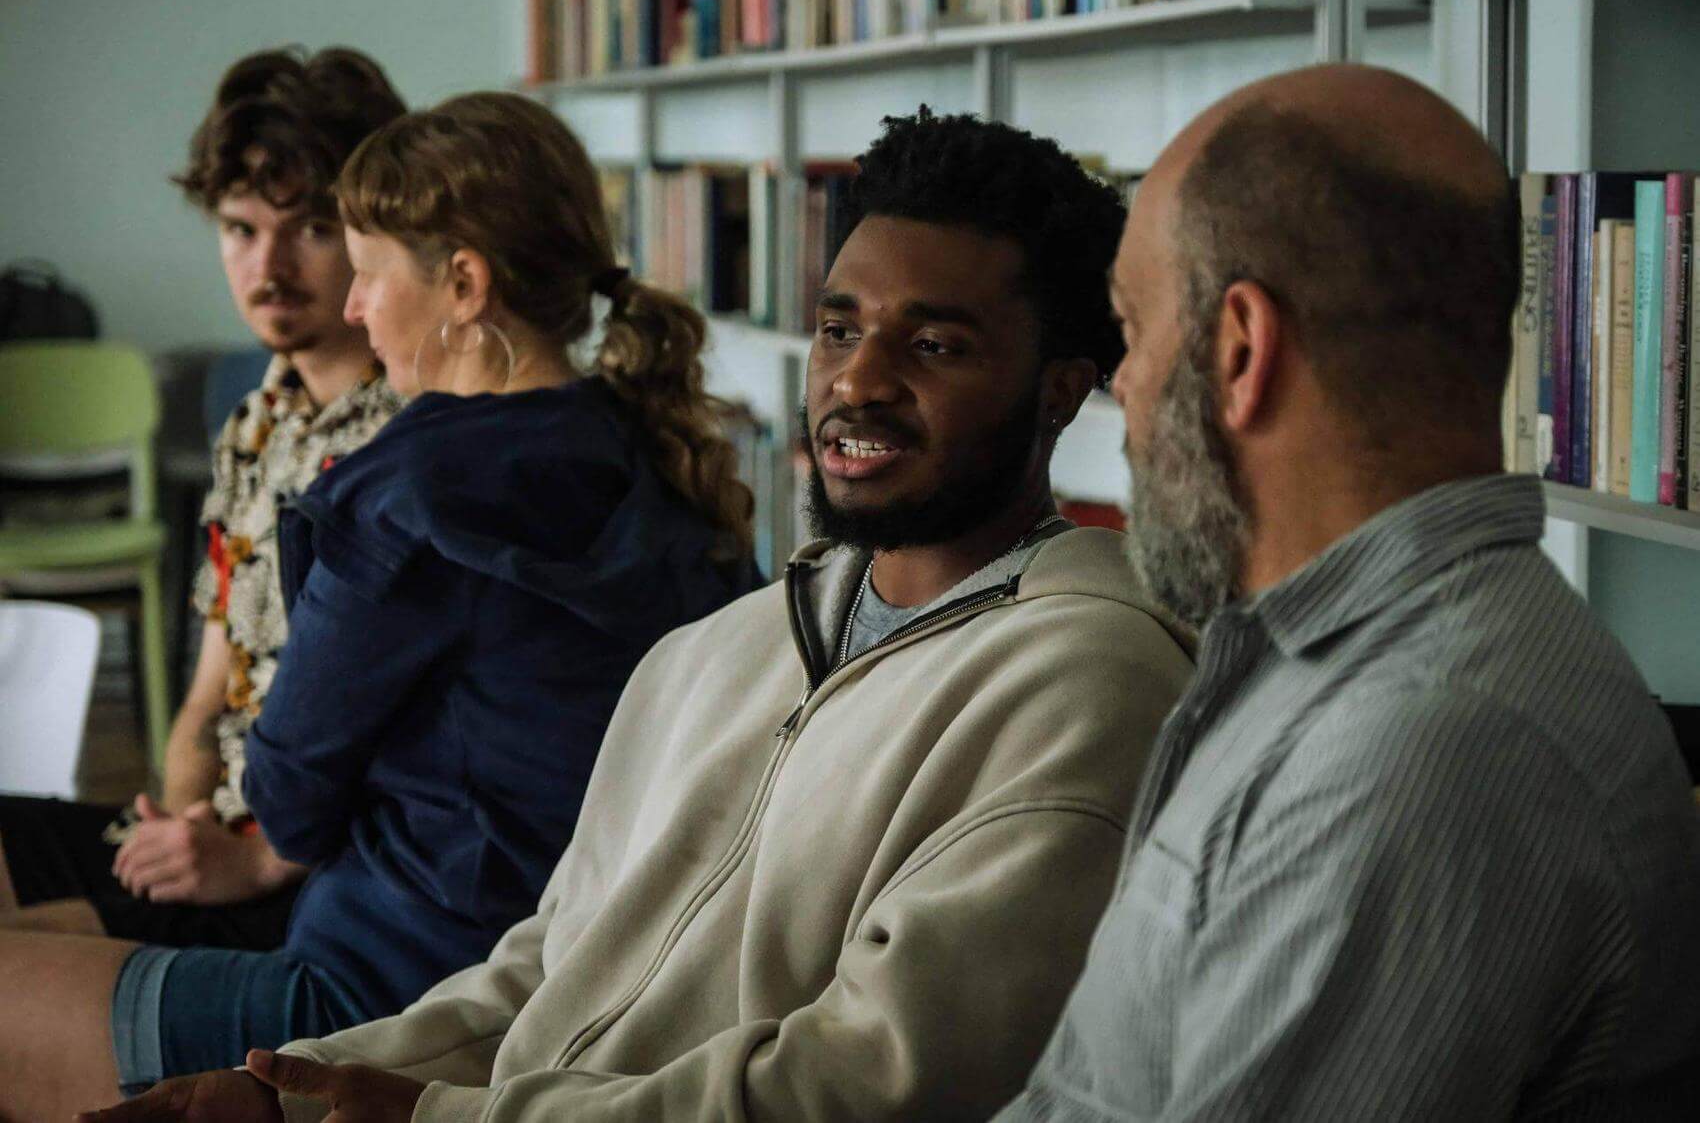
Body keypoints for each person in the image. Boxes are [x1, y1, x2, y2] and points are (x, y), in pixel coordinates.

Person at [79, 108, 1196, 1123]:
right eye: (839, 327)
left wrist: (436, 1119)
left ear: (1061, 386)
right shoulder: (725, 646)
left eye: (935, 344)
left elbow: (868, 1084)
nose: (859, 381)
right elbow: (550, 963)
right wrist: (304, 1084)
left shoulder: (1088, 679)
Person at [1, 91, 761, 1120]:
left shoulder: (411, 488)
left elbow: (293, 792)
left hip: (379, 1003)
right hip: (567, 988)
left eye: (364, 270)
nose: (354, 306)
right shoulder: (654, 454)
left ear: (462, 285)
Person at [999, 65, 1700, 1121]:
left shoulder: (1416, 751)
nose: (1123, 383)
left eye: (1132, 329)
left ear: (1240, 349)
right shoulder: (1338, 661)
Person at [0, 47, 406, 945]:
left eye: (310, 228)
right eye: (238, 228)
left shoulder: (413, 440)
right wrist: (172, 841)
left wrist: (222, 863)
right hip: (219, 832)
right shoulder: (253, 425)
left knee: (22, 963)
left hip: (315, 864)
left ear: (375, 229)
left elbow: (398, 749)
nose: (268, 266)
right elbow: (203, 699)